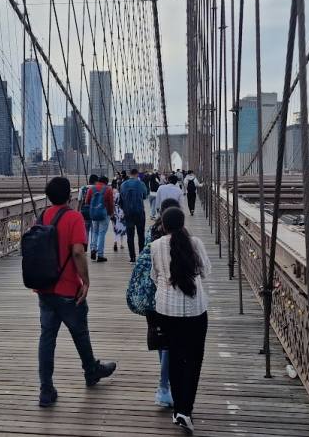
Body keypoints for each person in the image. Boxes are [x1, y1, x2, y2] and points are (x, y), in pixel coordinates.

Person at [36, 176, 117, 407]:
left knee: (47, 338)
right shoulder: (73, 217)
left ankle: (46, 389)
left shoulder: (42, 216)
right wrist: (86, 281)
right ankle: (91, 371)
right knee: (80, 331)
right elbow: (78, 252)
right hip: (67, 287)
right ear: (69, 196)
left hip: (45, 288)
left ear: (49, 196)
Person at [150, 207, 211, 432]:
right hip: (196, 311)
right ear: (183, 223)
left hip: (167, 311)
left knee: (175, 358)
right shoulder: (195, 243)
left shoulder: (155, 246)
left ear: (163, 226)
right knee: (194, 360)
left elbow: (154, 276)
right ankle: (186, 409)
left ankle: (178, 410)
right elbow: (205, 272)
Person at [127, 198, 182, 409]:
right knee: (171, 343)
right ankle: (164, 386)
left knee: (162, 341)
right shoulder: (178, 241)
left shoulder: (152, 233)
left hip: (152, 297)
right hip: (169, 297)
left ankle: (165, 382)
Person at [119, 168, 150, 263]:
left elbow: (121, 200)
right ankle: (141, 255)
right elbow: (145, 195)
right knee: (141, 234)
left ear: (130, 174)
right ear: (137, 174)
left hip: (128, 213)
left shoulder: (123, 184)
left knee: (130, 235)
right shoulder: (141, 184)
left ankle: (132, 257)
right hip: (139, 212)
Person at [83, 175, 115, 262]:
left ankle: (93, 249)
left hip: (94, 214)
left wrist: (94, 207)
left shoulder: (91, 189)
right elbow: (111, 203)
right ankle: (100, 255)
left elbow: (87, 201)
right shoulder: (108, 189)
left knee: (94, 232)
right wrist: (111, 213)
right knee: (102, 233)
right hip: (104, 214)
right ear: (106, 182)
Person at [78, 174, 98, 250]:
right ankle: (93, 247)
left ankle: (85, 244)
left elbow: (79, 200)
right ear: (96, 181)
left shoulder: (82, 188)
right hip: (94, 211)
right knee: (94, 230)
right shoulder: (97, 189)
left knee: (86, 229)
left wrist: (78, 211)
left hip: (84, 211)